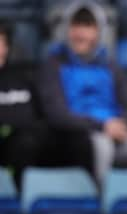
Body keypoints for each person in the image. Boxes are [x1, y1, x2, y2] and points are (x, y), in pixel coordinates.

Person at [37, 2, 127, 185]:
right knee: (100, 145)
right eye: (76, 26)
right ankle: (101, 204)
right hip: (78, 137)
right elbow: (57, 113)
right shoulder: (53, 65)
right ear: (67, 30)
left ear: (99, 32)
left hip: (113, 133)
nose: (81, 34)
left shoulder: (111, 66)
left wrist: (122, 123)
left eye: (88, 27)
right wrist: (101, 126)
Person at [0, 21, 93, 190]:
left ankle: (86, 199)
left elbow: (44, 112)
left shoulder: (23, 76)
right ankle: (22, 203)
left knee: (79, 139)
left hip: (34, 136)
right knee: (24, 143)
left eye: (1, 43)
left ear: (6, 47)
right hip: (9, 142)